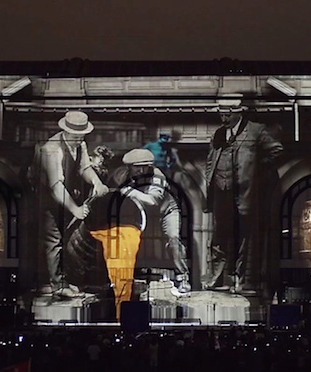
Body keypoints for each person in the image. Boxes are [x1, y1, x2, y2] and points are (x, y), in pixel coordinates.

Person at [203, 94, 282, 295]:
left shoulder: (256, 131)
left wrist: (257, 171)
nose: (224, 118)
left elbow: (277, 151)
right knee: (219, 237)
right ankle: (217, 279)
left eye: (228, 113)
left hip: (245, 193)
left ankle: (242, 281)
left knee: (245, 237)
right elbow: (211, 160)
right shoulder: (218, 134)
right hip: (222, 193)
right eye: (221, 113)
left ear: (239, 112)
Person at [32, 110, 109, 298]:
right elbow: (56, 186)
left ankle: (62, 280)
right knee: (53, 240)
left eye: (81, 136)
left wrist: (97, 182)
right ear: (66, 131)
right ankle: (56, 285)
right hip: (47, 200)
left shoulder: (80, 144)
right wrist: (75, 209)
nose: (78, 140)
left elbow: (85, 168)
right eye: (75, 136)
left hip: (65, 198)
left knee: (65, 239)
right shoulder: (52, 149)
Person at [120, 148, 192, 295]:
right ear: (129, 167)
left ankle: (182, 277)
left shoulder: (158, 177)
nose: (141, 170)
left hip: (166, 212)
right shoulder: (125, 176)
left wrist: (129, 191)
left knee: (173, 239)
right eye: (137, 167)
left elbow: (152, 201)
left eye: (144, 166)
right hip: (141, 214)